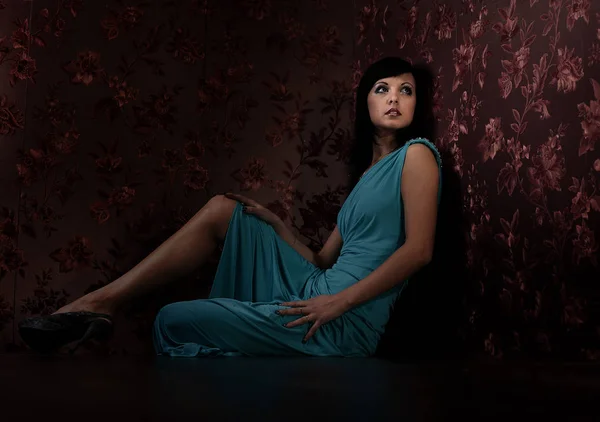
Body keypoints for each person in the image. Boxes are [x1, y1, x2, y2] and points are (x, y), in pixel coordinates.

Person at [19, 56, 443, 357]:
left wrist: (340, 303)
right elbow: (321, 259)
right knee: (226, 208)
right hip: (318, 290)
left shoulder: (417, 155)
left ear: (416, 104)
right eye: (382, 88)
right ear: (364, 103)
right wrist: (277, 224)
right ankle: (99, 303)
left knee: (172, 320)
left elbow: (419, 250)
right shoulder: (367, 177)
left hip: (340, 319)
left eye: (406, 90)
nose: (394, 98)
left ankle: (98, 307)